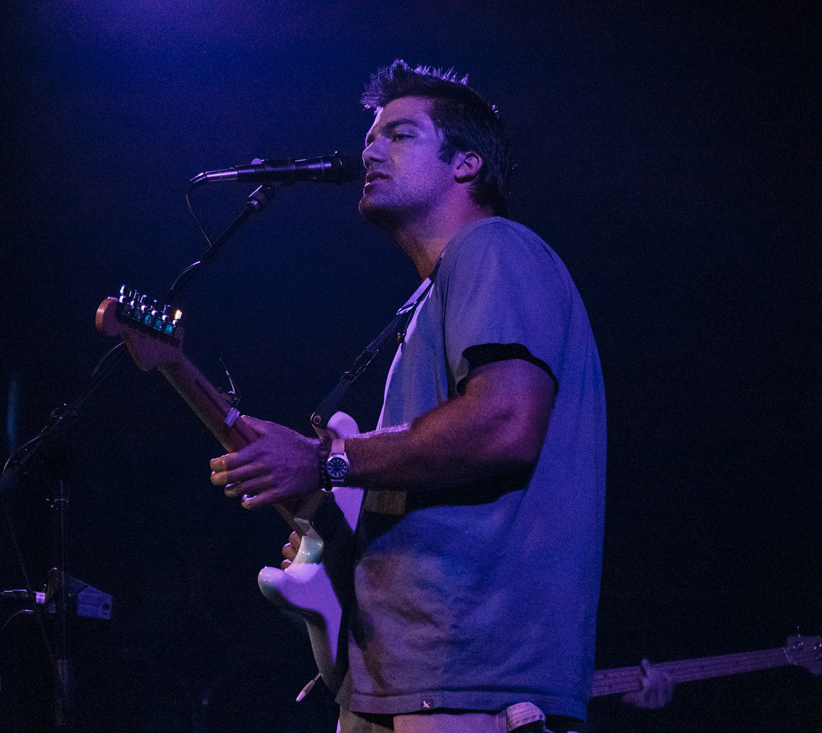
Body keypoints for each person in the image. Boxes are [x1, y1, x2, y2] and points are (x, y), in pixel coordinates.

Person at [210, 60, 606, 733]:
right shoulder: (433, 296)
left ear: (467, 164)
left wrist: (326, 461)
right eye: (370, 138)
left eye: (399, 135)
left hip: (469, 677)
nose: (369, 152)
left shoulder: (494, 247)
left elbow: (506, 424)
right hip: (407, 678)